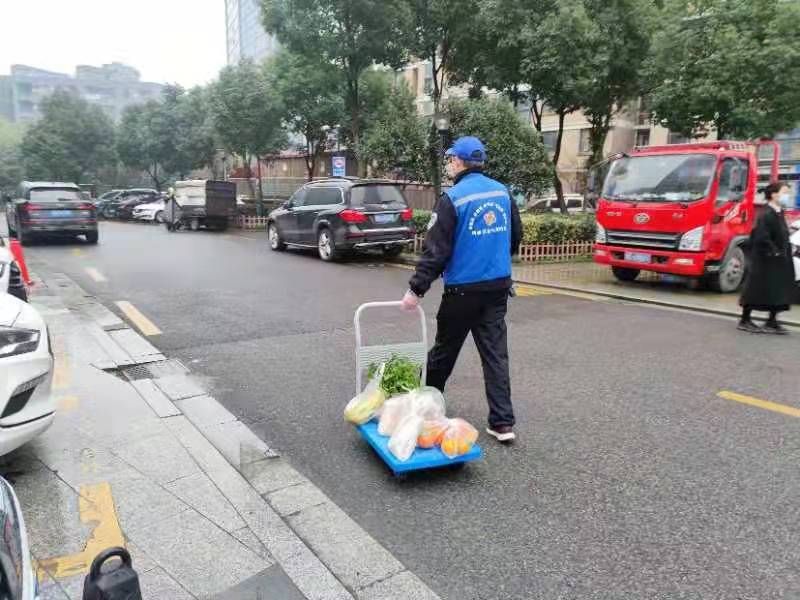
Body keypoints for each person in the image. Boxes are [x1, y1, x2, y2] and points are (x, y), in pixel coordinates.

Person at [401, 136, 523, 442]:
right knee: (496, 356)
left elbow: (436, 251)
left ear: (458, 161)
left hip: (462, 292)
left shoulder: (453, 198)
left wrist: (416, 290)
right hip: (496, 289)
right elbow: (515, 237)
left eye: (450, 160)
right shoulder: (503, 192)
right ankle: (503, 423)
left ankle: (424, 409)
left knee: (444, 352)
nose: (449, 165)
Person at [738, 182, 794, 334]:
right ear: (774, 194)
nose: (787, 196)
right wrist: (773, 251)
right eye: (785, 192)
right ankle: (745, 320)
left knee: (777, 290)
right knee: (756, 288)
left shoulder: (779, 212)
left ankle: (772, 321)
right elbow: (761, 236)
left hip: (779, 259)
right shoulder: (766, 213)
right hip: (765, 259)